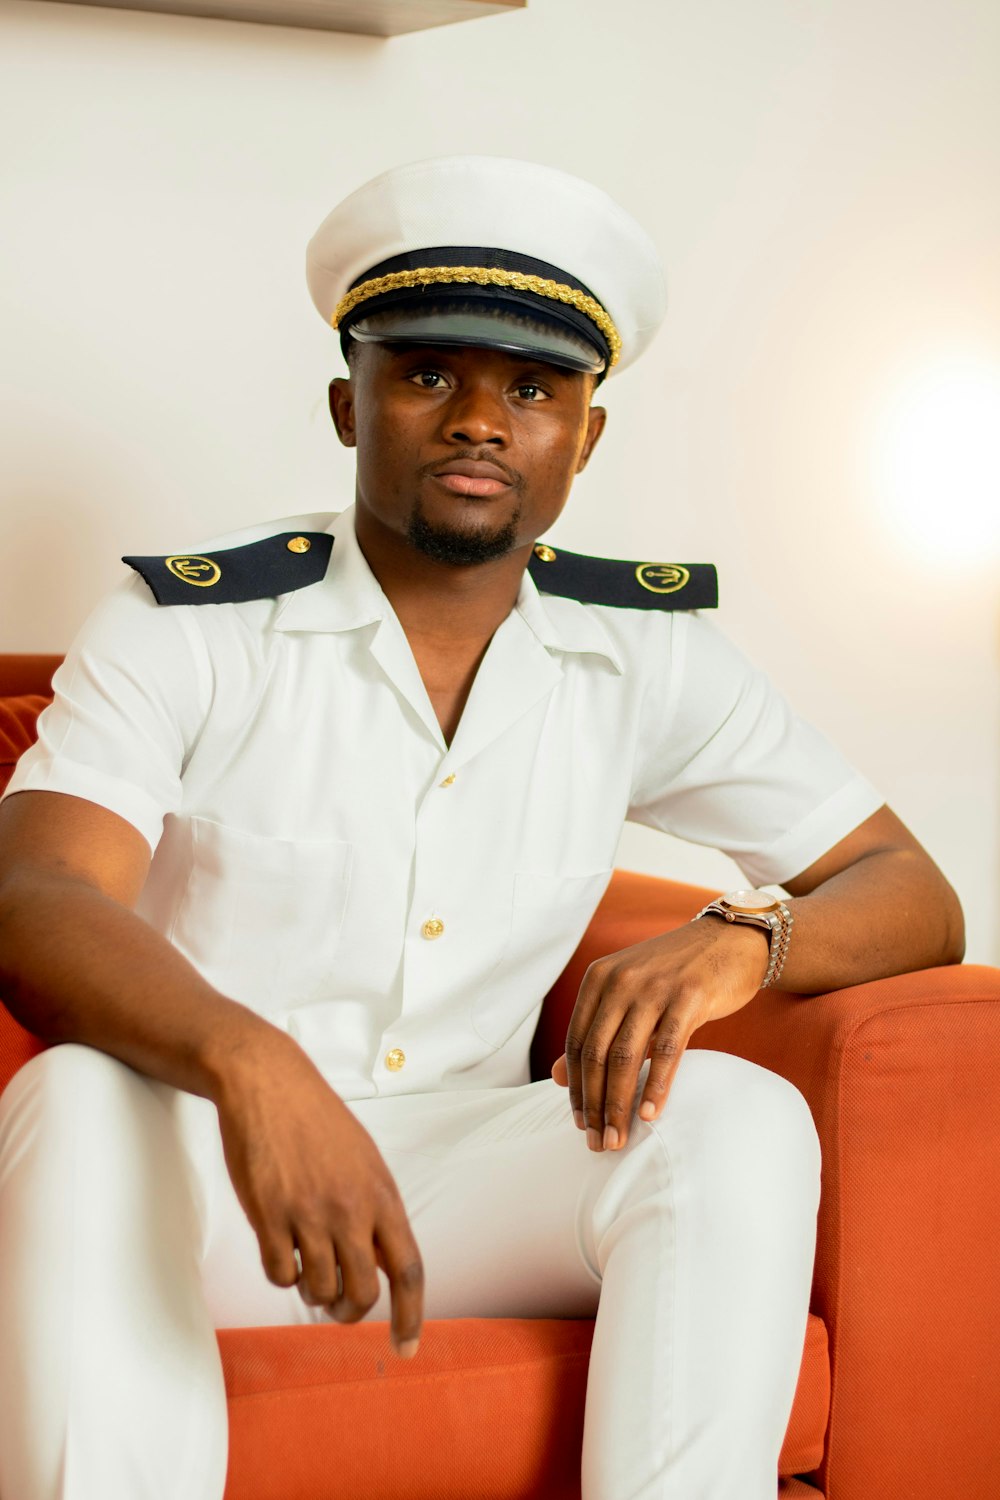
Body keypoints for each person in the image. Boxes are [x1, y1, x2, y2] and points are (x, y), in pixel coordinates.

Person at [0, 155, 964, 1500]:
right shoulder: (190, 622)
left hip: (464, 1171)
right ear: (350, 406)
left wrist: (744, 937)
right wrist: (248, 1062)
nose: (479, 421)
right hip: (206, 1171)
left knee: (732, 1117)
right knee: (76, 1099)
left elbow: (912, 891)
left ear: (588, 433)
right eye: (427, 373)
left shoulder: (643, 652)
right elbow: (38, 893)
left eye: (532, 388)